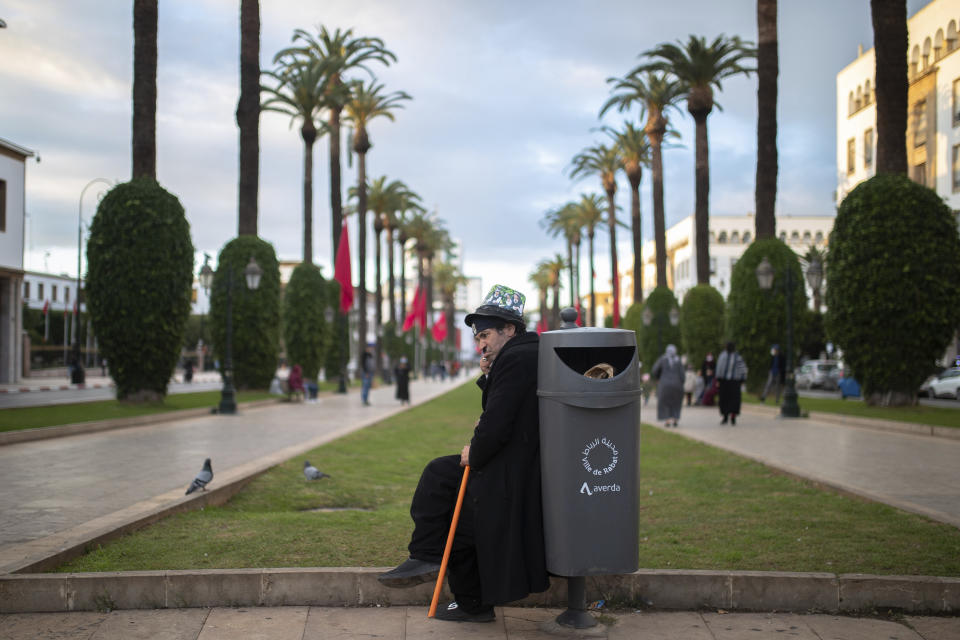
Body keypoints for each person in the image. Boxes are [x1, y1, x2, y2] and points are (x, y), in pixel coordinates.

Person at [378, 284, 548, 624]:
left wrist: (477, 450)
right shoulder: (523, 354)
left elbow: (496, 423)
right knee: (444, 486)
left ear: (509, 329)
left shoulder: (515, 359)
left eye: (484, 334)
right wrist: (489, 377)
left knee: (443, 485)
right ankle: (463, 592)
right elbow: (506, 410)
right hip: (519, 466)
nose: (480, 344)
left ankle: (433, 561)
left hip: (514, 474)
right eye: (477, 337)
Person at [651, 344, 685, 427]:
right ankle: (675, 420)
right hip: (677, 385)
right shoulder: (678, 360)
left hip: (664, 384)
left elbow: (654, 370)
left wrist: (658, 378)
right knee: (676, 403)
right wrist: (681, 383)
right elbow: (682, 375)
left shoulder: (662, 359)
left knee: (665, 403)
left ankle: (667, 421)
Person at [716, 342, 747, 425]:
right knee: (726, 399)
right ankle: (726, 416)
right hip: (726, 381)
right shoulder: (725, 356)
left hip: (732, 381)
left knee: (732, 400)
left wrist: (742, 379)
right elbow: (719, 368)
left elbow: (742, 369)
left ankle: (731, 416)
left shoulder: (736, 357)